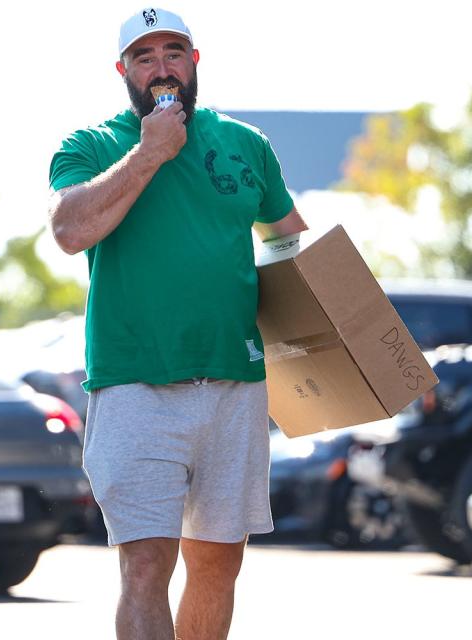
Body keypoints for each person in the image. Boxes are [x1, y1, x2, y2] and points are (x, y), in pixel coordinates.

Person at [47, 7, 308, 639]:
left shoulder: (248, 146)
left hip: (234, 384)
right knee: (145, 564)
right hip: (135, 384)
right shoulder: (91, 146)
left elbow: (288, 246)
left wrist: (331, 347)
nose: (161, 67)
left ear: (195, 61)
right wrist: (150, 154)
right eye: (144, 57)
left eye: (173, 52)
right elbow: (69, 230)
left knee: (218, 565)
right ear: (124, 72)